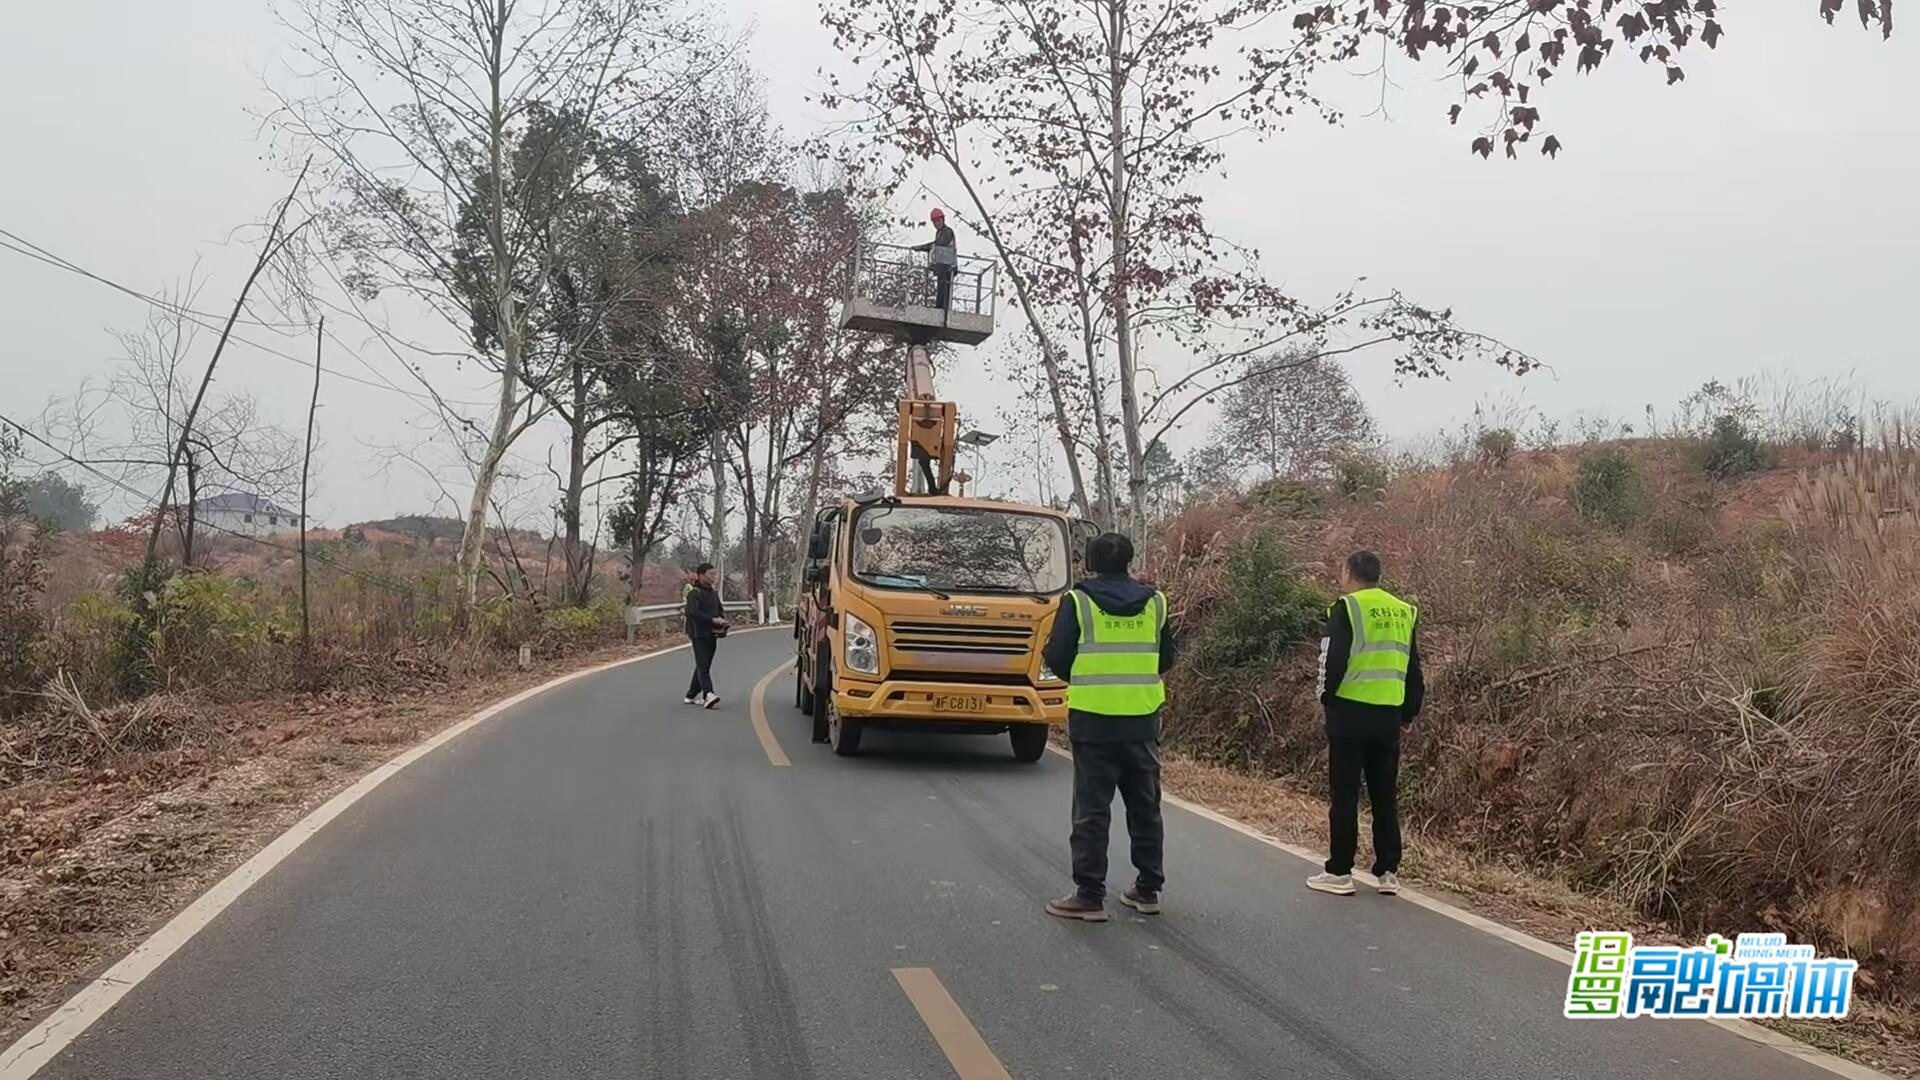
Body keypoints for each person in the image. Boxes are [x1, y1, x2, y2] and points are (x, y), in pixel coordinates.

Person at [1042, 531, 1176, 922]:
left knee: (1091, 810)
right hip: (1141, 720)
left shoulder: (1078, 601)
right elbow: (1165, 657)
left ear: (1090, 562)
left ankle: (1089, 895)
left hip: (1093, 720)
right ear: (1129, 562)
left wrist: (1089, 678)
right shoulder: (1156, 603)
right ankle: (1148, 889)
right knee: (1146, 806)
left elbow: (1058, 656)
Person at [1307, 550, 1424, 897]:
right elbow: (1413, 667)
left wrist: (1325, 697)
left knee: (1344, 794)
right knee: (1384, 794)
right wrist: (1408, 713)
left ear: (1348, 573)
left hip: (1350, 713)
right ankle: (1388, 871)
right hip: (1388, 713)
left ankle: (1340, 872)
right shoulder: (1405, 611)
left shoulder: (1347, 608)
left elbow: (1333, 660)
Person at [683, 563, 727, 709]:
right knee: (703, 665)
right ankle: (708, 694)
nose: (714, 577)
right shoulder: (694, 593)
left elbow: (719, 610)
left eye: (715, 574)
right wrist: (712, 619)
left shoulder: (713, 593)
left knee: (704, 664)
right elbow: (692, 613)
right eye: (711, 574)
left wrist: (722, 621)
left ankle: (690, 694)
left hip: (712, 633)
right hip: (698, 633)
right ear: (701, 575)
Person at [912, 208, 958, 310]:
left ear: (943, 220)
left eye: (938, 221)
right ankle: (939, 307)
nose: (936, 223)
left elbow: (938, 244)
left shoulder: (947, 231)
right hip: (942, 265)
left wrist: (920, 247)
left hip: (948, 266)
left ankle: (943, 308)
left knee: (945, 288)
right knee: (941, 287)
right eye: (934, 222)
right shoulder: (939, 233)